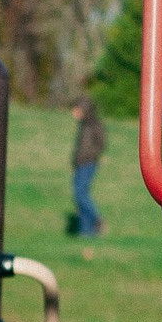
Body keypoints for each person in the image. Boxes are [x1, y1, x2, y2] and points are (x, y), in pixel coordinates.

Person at [70, 96, 105, 238]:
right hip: (80, 163)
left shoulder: (93, 124)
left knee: (81, 194)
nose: (73, 112)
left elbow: (101, 143)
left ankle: (97, 219)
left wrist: (91, 156)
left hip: (88, 163)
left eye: (76, 109)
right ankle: (86, 232)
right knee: (79, 196)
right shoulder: (84, 124)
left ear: (83, 109)